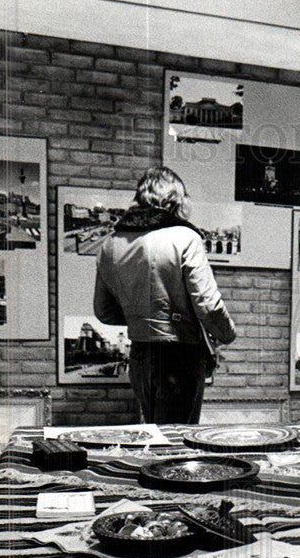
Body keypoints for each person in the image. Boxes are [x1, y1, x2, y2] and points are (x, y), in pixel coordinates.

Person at [94, 166, 236, 424]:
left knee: (155, 435)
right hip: (179, 358)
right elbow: (208, 306)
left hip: (139, 356)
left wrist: (142, 318)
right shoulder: (185, 237)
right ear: (175, 200)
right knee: (178, 445)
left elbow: (104, 311)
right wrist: (227, 335)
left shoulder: (109, 244)